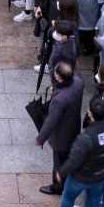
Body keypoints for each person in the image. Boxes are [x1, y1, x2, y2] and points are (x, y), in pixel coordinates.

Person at [36, 61, 84, 196]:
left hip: (61, 136)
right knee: (67, 155)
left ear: (58, 77)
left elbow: (51, 122)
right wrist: (56, 90)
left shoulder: (60, 100)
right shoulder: (79, 82)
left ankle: (57, 187)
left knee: (58, 161)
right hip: (73, 128)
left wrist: (40, 139)